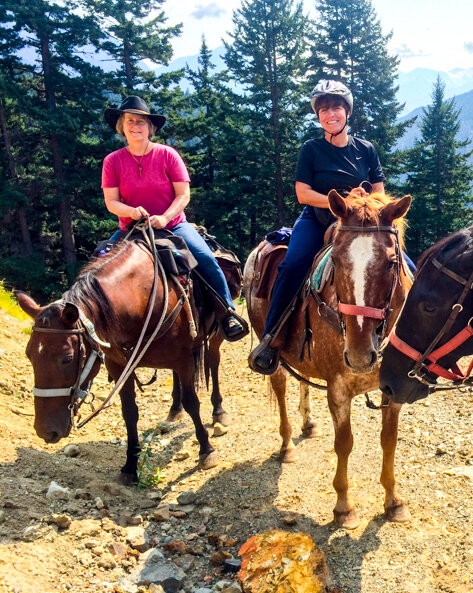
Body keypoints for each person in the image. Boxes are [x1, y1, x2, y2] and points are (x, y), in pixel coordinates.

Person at [249, 80, 413, 375]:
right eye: (324, 109)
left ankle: (412, 339)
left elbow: (380, 193)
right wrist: (339, 202)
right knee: (293, 265)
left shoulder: (366, 149)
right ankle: (271, 338)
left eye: (336, 107)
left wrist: (366, 202)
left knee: (404, 267)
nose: (330, 113)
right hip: (318, 220)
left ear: (347, 112)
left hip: (362, 225)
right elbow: (303, 194)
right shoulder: (311, 150)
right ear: (318, 115)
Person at [101, 95, 248, 342]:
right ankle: (97, 329)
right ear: (121, 126)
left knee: (204, 258)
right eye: (130, 121)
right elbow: (111, 202)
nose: (135, 126)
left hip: (173, 225)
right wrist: (131, 211)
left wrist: (165, 217)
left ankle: (227, 313)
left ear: (150, 127)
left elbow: (183, 194)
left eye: (141, 122)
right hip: (132, 228)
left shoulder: (167, 155)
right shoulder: (112, 161)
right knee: (100, 260)